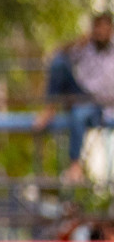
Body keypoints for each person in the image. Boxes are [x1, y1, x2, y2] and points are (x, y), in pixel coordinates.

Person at [36, 11, 114, 181]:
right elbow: (54, 55)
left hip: (100, 103)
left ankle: (75, 164)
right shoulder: (85, 47)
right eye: (98, 28)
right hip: (80, 93)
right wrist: (77, 42)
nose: (101, 32)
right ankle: (50, 108)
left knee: (79, 114)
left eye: (105, 28)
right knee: (59, 64)